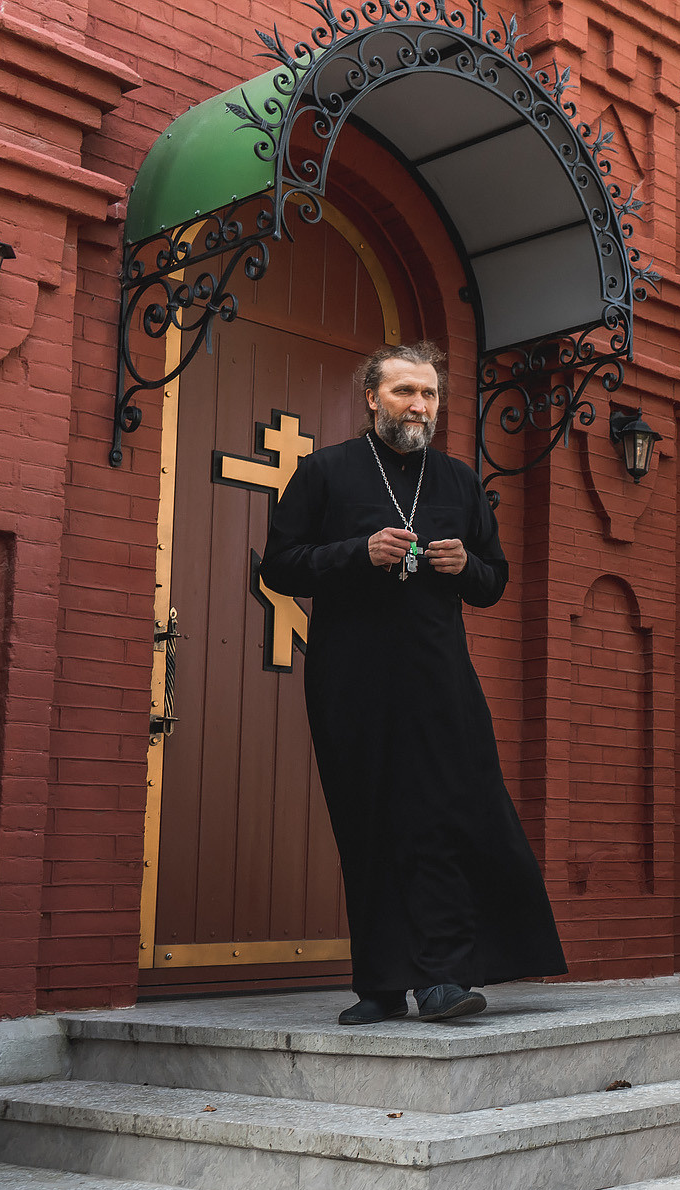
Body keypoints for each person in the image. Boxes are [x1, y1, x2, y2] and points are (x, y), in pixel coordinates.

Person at [261, 342, 567, 1024]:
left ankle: (440, 977)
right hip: (351, 679)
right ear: (372, 397)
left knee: (440, 817)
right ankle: (378, 983)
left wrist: (468, 567)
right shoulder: (325, 472)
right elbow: (279, 566)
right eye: (404, 392)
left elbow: (495, 578)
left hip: (439, 678)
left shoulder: (458, 481)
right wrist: (356, 552)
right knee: (366, 822)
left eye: (428, 394)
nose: (419, 406)